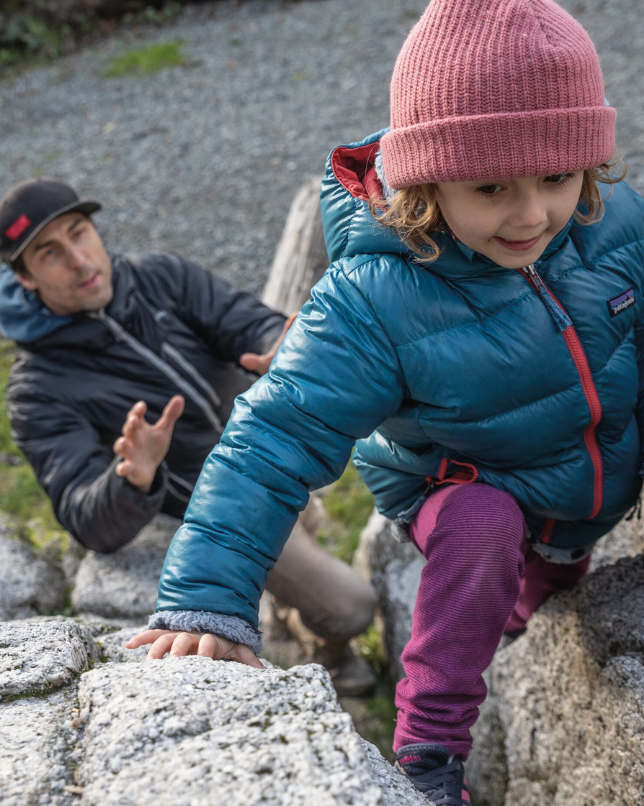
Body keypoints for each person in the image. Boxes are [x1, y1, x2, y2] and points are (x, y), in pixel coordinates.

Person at [127, 0, 644, 801]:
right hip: (476, 483)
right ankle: (431, 752)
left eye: (556, 176)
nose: (532, 213)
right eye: (491, 186)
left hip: (591, 478)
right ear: (426, 179)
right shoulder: (373, 297)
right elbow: (273, 435)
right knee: (482, 535)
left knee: (543, 562)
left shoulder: (610, 224)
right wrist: (205, 596)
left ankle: (540, 582)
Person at [0, 177, 377, 696]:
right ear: (24, 277)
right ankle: (328, 646)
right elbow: (87, 518)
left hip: (264, 456)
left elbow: (244, 322)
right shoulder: (36, 390)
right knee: (352, 607)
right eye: (49, 253)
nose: (79, 259)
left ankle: (292, 612)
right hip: (212, 512)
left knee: (307, 524)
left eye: (79, 232)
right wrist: (132, 477)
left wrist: (278, 345)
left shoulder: (160, 276)